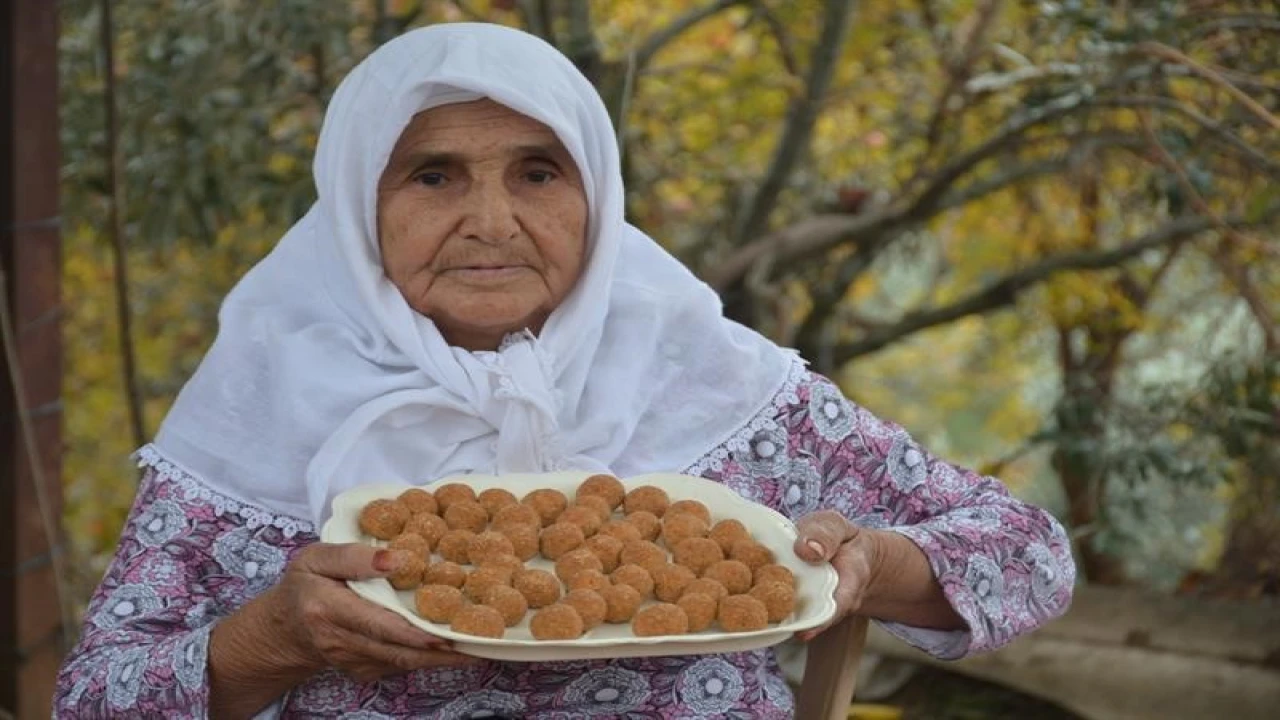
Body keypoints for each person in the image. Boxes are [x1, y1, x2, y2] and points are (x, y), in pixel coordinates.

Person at [54, 22, 1074, 719]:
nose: (491, 223)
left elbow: (1027, 554)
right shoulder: (263, 399)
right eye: (433, 175)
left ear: (596, 196)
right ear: (357, 206)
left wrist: (869, 567)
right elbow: (93, 696)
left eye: (538, 173)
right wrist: (274, 638)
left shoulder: (711, 383)